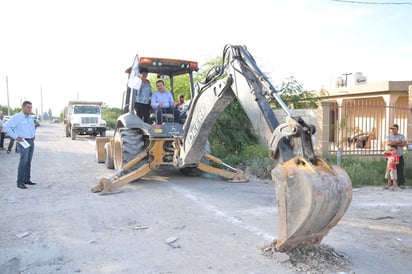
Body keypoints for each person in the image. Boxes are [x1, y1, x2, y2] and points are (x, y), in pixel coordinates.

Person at [4, 101, 37, 189]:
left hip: (30, 140)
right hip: (23, 141)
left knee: (28, 161)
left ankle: (27, 179)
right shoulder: (17, 117)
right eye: (28, 107)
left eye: (31, 107)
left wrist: (33, 134)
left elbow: (32, 126)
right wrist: (15, 137)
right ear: (23, 108)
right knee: (23, 161)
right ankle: (20, 182)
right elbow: (6, 126)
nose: (30, 109)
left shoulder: (30, 117)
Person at [386, 124, 407, 189]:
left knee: (400, 169)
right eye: (391, 129)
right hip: (391, 156)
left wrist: (393, 143)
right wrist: (397, 142)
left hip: (399, 155)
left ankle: (401, 183)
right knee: (390, 170)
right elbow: (388, 143)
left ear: (397, 129)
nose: (392, 130)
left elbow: (404, 144)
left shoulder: (401, 136)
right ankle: (391, 183)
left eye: (394, 129)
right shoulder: (389, 136)